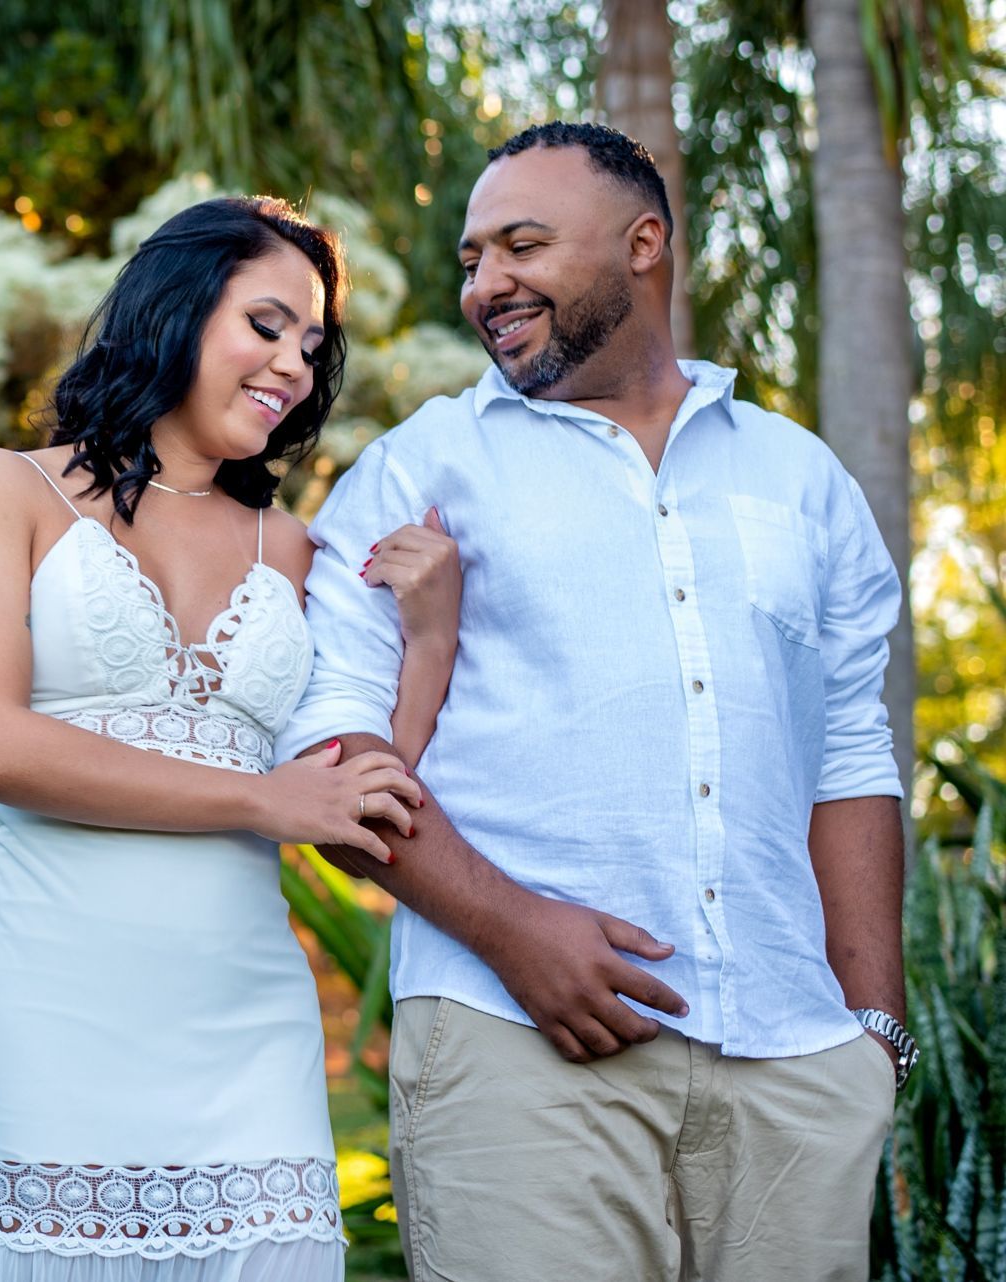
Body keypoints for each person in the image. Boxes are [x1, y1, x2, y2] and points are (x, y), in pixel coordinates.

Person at [279, 121, 912, 1282]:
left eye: (522, 245)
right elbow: (330, 747)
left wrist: (870, 1031)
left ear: (643, 244)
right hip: (515, 1042)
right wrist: (514, 931)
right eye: (473, 258)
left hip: (793, 1055)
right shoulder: (421, 471)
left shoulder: (799, 477)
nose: (488, 284)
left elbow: (851, 758)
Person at [0, 196, 461, 1280]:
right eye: (266, 325)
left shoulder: (302, 548)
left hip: (243, 1012)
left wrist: (432, 634)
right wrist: (262, 801)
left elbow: (362, 787)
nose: (295, 367)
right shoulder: (2, 490)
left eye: (311, 346)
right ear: (174, 307)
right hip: (42, 991)